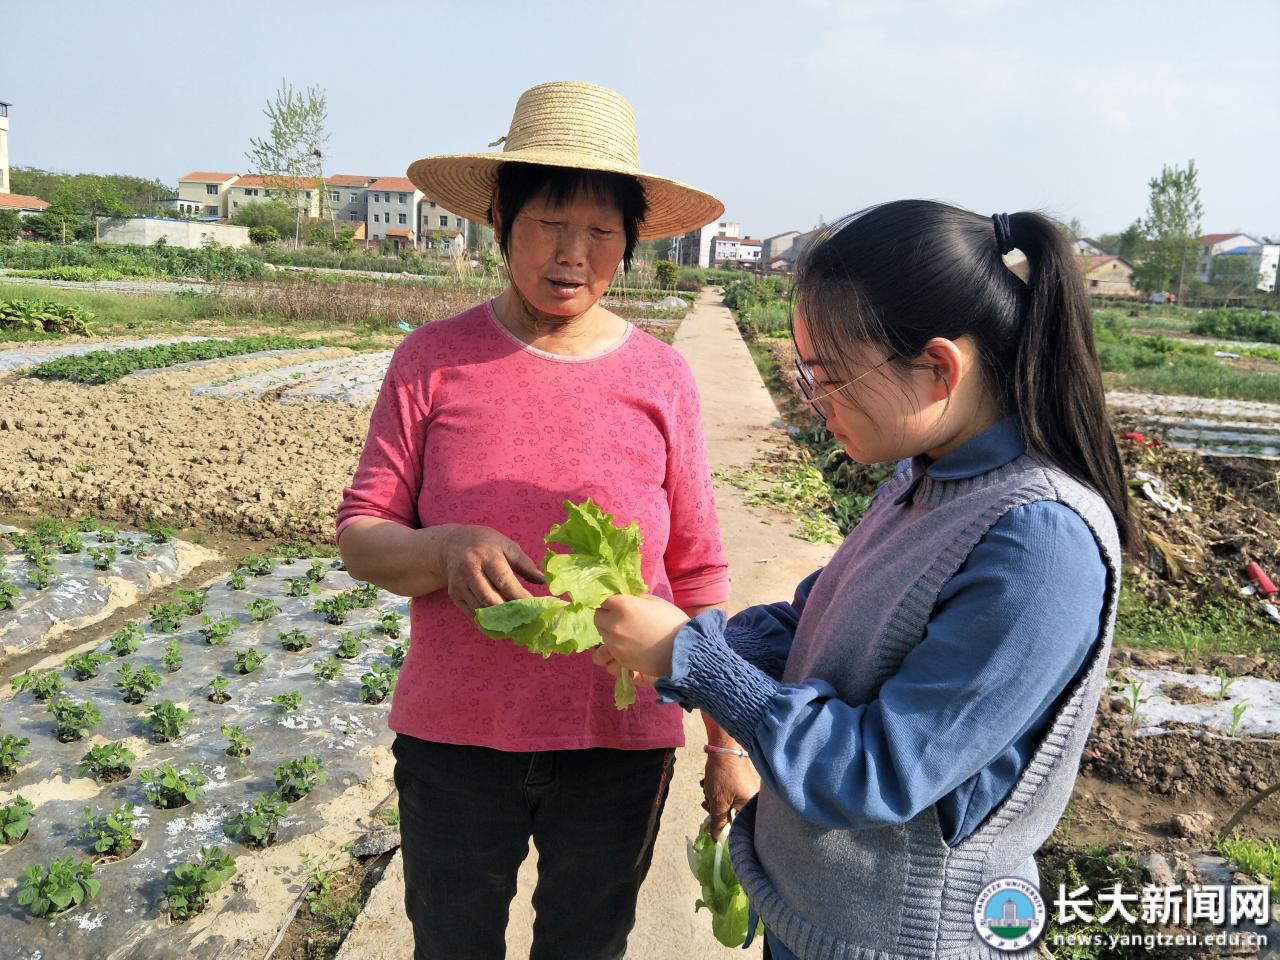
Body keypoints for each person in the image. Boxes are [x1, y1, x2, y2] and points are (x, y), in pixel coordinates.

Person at [592, 201, 1136, 959]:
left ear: (940, 368)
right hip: (817, 916)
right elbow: (817, 621)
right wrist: (695, 641)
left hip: (900, 938)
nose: (818, 406)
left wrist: (697, 661)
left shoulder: (1040, 541)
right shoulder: (924, 477)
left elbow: (876, 771)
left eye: (832, 378)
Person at [336, 81, 757, 960]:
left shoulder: (660, 379)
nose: (573, 255)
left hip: (619, 745)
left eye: (601, 232)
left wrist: (727, 740)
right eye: (547, 225)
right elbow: (362, 532)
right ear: (499, 221)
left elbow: (700, 570)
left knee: (586, 946)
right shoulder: (432, 360)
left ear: (631, 243)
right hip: (457, 741)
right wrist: (445, 546)